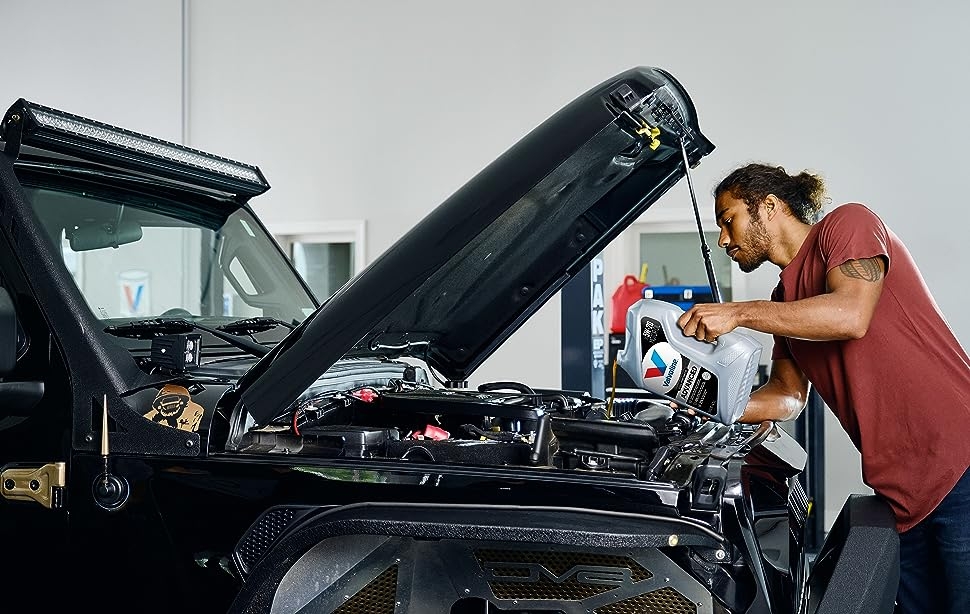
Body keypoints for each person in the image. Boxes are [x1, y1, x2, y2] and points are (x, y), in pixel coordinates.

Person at [676, 163, 970, 614]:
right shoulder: (783, 301)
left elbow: (850, 315)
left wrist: (735, 313)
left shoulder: (848, 224)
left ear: (769, 206)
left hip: (959, 463)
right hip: (902, 494)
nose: (723, 240)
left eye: (728, 219)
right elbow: (787, 397)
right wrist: (700, 403)